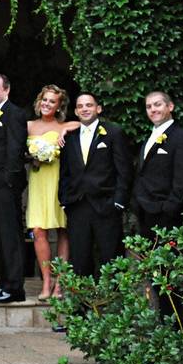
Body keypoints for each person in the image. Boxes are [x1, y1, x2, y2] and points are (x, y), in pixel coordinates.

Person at [58, 92, 132, 277]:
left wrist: (119, 202)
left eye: (89, 105)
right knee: (80, 258)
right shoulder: (70, 137)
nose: (85, 109)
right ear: (75, 111)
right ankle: (84, 304)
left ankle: (113, 303)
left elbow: (124, 170)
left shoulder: (113, 132)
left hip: (106, 205)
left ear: (98, 108)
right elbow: (65, 172)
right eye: (81, 106)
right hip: (77, 205)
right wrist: (65, 200)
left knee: (111, 257)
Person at [26, 85, 80, 299]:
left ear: (59, 106)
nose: (47, 104)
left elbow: (81, 122)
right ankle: (46, 282)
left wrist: (65, 130)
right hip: (38, 181)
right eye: (44, 100)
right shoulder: (29, 126)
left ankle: (60, 282)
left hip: (58, 182)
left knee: (62, 230)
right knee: (38, 230)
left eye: (52, 101)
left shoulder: (64, 125)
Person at [0, 74, 29, 303]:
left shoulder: (15, 113)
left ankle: (15, 288)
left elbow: (15, 148)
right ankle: (5, 281)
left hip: (5, 185)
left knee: (10, 236)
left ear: (6, 91)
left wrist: (8, 181)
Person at [132, 91, 183, 241]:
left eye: (157, 104)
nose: (153, 109)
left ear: (170, 106)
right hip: (145, 212)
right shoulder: (149, 137)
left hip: (167, 215)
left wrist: (170, 209)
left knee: (169, 262)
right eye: (148, 106)